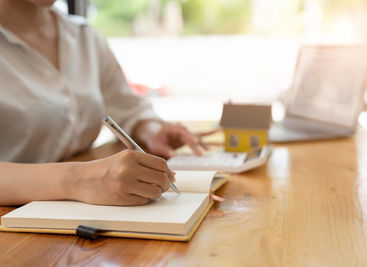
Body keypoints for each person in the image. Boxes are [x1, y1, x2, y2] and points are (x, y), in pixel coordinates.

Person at [0, 0, 210, 206]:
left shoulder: (84, 35)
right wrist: (81, 179)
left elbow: (129, 108)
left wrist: (153, 131)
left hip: (74, 210)